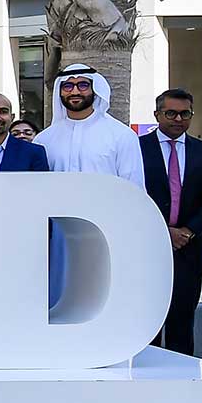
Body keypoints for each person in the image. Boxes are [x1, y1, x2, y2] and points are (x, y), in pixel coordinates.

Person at [34, 64, 145, 304]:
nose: (75, 91)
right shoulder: (44, 139)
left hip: (106, 230)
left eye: (83, 85)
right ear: (59, 92)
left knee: (102, 296)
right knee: (60, 296)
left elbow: (134, 190)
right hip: (59, 235)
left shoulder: (121, 135)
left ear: (95, 89)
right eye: (68, 86)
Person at [141, 88, 202, 357]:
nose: (178, 119)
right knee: (148, 320)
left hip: (188, 248)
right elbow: (131, 192)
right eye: (170, 113)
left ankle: (182, 383)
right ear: (157, 115)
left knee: (182, 320)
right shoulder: (137, 149)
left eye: (184, 113)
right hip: (149, 246)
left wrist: (187, 232)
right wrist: (162, 231)